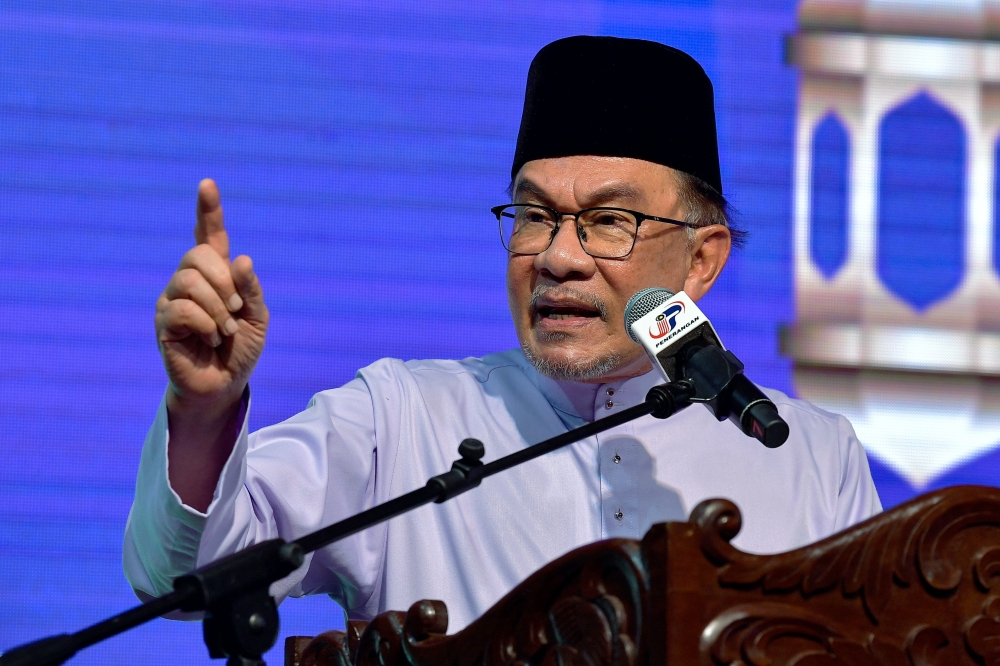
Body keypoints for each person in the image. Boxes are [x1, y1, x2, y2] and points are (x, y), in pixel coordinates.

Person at [124, 36, 881, 631]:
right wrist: (204, 414)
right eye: (534, 216)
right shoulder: (402, 418)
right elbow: (184, 582)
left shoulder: (812, 456)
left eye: (609, 222)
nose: (557, 257)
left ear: (702, 258)